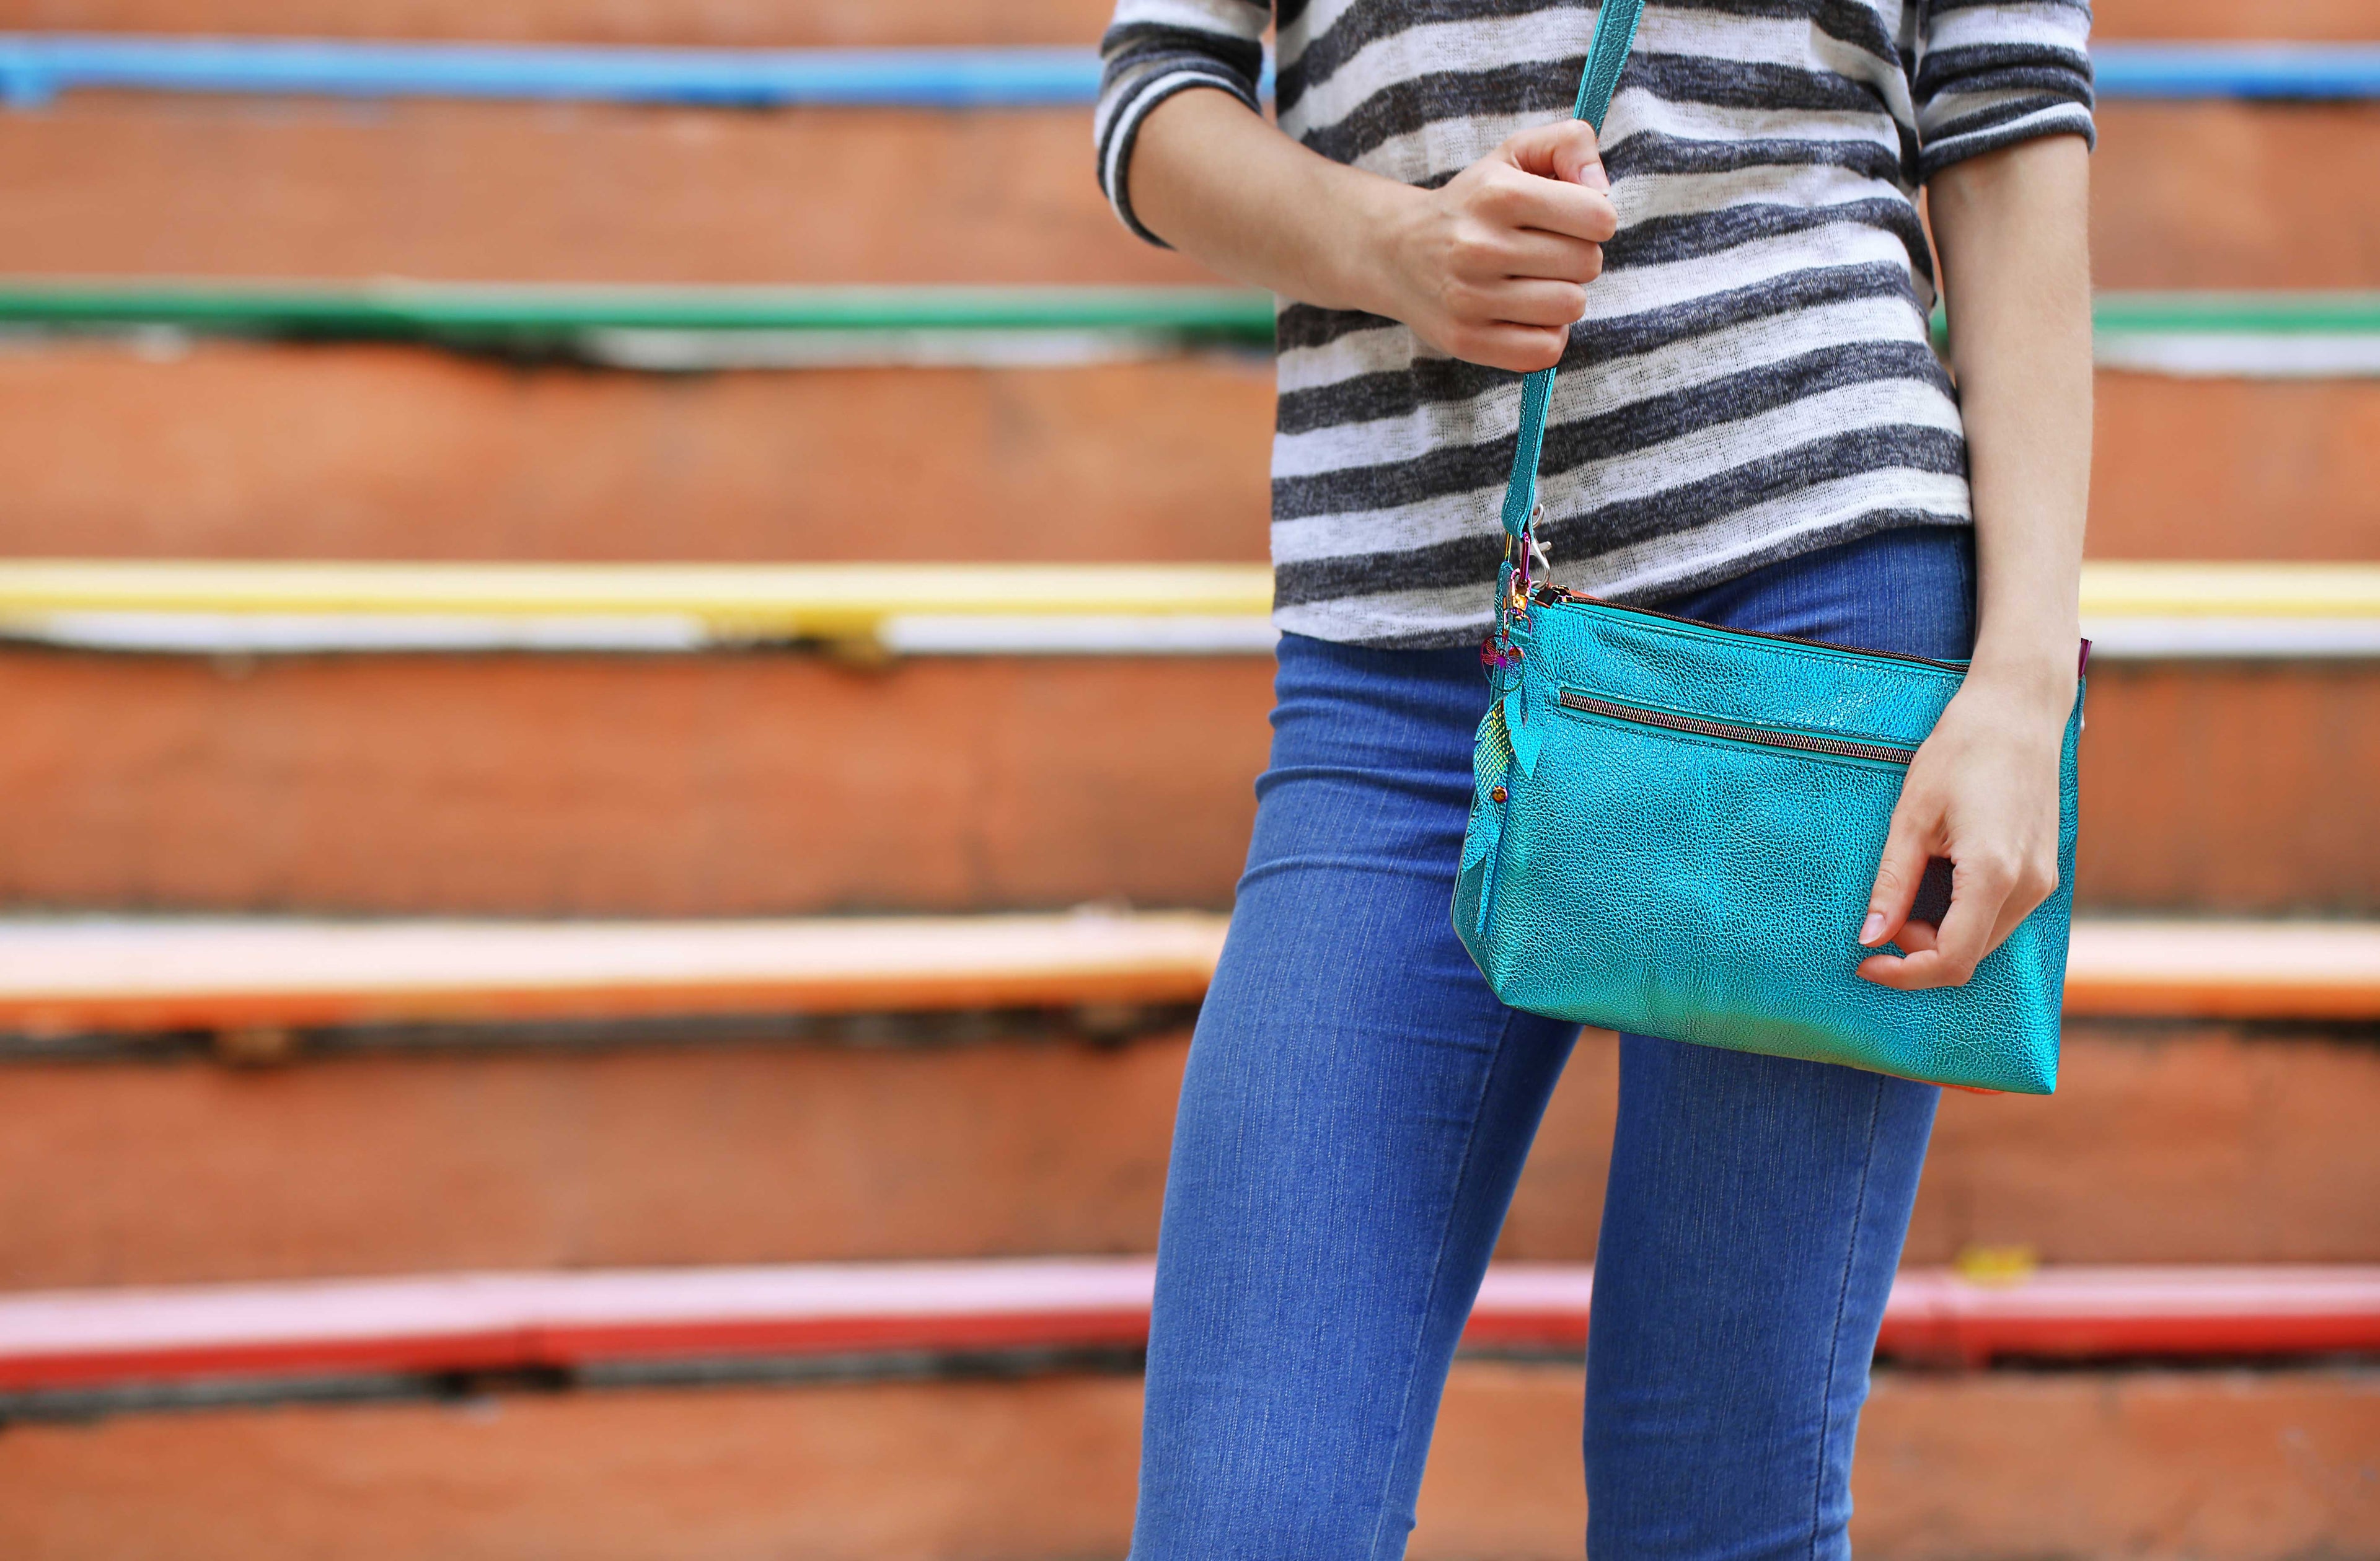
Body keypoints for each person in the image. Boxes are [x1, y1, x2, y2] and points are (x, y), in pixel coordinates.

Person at [1094, 1, 2095, 1557]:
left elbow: (2010, 125)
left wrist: (2027, 679)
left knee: (1716, 1503)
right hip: (1409, 652)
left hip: (1813, 612)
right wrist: (1394, 245)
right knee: (1244, 1519)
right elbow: (1157, 96)